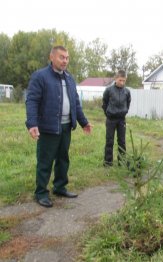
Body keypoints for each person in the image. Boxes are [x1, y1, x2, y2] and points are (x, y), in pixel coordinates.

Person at [26, 45, 92, 208]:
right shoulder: (40, 76)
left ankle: (60, 187)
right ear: (52, 57)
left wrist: (83, 122)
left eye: (67, 58)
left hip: (66, 127)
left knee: (63, 158)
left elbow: (75, 102)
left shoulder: (69, 78)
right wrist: (32, 123)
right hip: (48, 127)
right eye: (62, 57)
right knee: (45, 160)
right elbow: (32, 100)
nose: (65, 61)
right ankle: (41, 192)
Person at [102, 70, 131, 167]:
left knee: (122, 141)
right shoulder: (109, 90)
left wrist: (124, 111)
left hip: (121, 119)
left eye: (124, 81)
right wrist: (108, 113)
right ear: (116, 79)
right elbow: (104, 103)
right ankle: (108, 162)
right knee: (109, 140)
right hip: (111, 119)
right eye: (120, 80)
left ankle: (121, 162)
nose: (122, 83)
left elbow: (128, 103)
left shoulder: (127, 92)